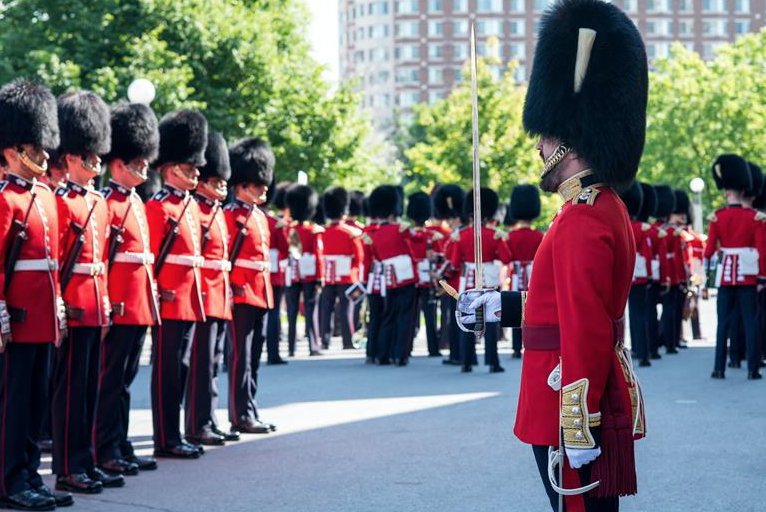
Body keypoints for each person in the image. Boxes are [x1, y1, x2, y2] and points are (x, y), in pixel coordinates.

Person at [457, 1, 648, 509]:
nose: (539, 148)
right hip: (561, 392)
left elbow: (583, 326)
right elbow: (555, 305)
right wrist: (494, 307)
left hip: (565, 398)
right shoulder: (588, 210)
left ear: (571, 139)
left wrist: (578, 422)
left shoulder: (586, 216)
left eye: (545, 135)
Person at [0, 79, 73, 510]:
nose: (45, 155)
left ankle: (29, 473)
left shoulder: (45, 194)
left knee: (36, 401)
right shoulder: (5, 199)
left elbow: (56, 258)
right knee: (13, 403)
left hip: (44, 313)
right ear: (11, 150)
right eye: (35, 146)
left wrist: (59, 306)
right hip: (17, 315)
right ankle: (9, 481)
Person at [52, 90, 124, 492]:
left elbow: (104, 259)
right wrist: (61, 305)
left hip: (96, 303)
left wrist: (107, 304)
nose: (96, 165)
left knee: (89, 388)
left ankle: (86, 458)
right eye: (91, 159)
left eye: (98, 158)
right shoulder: (61, 201)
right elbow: (58, 259)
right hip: (74, 303)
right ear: (73, 158)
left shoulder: (97, 201)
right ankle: (67, 466)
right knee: (69, 390)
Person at [95, 102, 161, 475]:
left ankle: (119, 443)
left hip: (137, 304)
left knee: (124, 380)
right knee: (110, 380)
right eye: (137, 160)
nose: (144, 166)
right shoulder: (108, 202)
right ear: (118, 163)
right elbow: (101, 260)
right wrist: (107, 303)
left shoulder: (135, 201)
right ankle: (104, 448)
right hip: (118, 303)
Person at [146, 109, 208, 459]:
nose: (196, 172)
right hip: (168, 298)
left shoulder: (191, 207)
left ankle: (177, 433)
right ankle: (165, 437)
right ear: (171, 168)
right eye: (189, 166)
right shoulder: (158, 208)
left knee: (181, 368)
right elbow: (153, 258)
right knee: (166, 371)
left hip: (189, 298)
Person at [185, 132, 239, 446]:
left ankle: (210, 418)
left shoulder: (217, 212)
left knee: (214, 360)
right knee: (201, 363)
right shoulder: (198, 211)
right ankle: (196, 423)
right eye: (214, 179)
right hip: (203, 292)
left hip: (219, 293)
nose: (221, 185)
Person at [225, 137, 277, 434]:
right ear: (242, 185)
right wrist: (233, 289)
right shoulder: (231, 216)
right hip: (242, 291)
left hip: (261, 291)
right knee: (240, 358)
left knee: (254, 356)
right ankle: (239, 414)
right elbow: (228, 258)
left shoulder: (259, 216)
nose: (263, 188)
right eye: (257, 184)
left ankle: (250, 407)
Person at [705, 154, 765, 380]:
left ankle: (718, 368)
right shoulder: (755, 217)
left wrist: (721, 248)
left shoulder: (717, 218)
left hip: (725, 277)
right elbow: (762, 251)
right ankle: (752, 369)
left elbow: (709, 250)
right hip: (748, 278)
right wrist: (761, 278)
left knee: (723, 324)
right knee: (750, 323)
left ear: (726, 192)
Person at [448, 188, 511, 373]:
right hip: (489, 283)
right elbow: (506, 258)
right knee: (490, 322)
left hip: (468, 283)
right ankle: (492, 362)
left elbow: (454, 261)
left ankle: (466, 361)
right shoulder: (494, 235)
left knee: (468, 321)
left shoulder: (461, 236)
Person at [364, 185, 417, 366]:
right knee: (405, 318)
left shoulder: (374, 234)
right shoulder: (401, 230)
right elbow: (414, 245)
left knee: (389, 316)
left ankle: (383, 354)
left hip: (388, 278)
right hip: (406, 277)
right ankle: (400, 355)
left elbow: (377, 257)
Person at [319, 186, 364, 350]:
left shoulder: (322, 232)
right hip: (346, 276)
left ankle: (324, 341)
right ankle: (347, 341)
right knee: (347, 310)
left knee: (326, 310)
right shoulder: (350, 233)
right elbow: (359, 257)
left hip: (328, 276)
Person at [284, 184, 324, 356]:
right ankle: (313, 346)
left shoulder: (289, 230)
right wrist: (320, 277)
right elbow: (319, 255)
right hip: (309, 273)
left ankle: (291, 347)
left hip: (292, 273)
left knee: (292, 311)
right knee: (310, 309)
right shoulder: (313, 231)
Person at [505, 184, 544, 359]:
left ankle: (515, 347)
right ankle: (528, 341)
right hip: (533, 274)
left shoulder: (510, 236)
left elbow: (506, 258)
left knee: (515, 306)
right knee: (530, 308)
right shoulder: (539, 236)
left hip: (515, 274)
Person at [406, 191, 442, 357]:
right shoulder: (433, 236)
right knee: (430, 315)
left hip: (412, 278)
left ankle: (407, 348)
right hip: (427, 278)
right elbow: (439, 257)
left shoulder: (408, 235)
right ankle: (433, 349)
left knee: (410, 315)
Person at [431, 184, 464, 365]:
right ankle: (455, 353)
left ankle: (458, 354)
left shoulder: (459, 235)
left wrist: (440, 276)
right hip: (453, 281)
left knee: (457, 319)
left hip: (456, 282)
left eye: (451, 219)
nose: (449, 222)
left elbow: (454, 263)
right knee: (454, 319)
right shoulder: (456, 234)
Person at [621, 182, 653, 366]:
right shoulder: (643, 228)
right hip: (640, 275)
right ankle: (644, 353)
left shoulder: (619, 223)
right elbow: (647, 255)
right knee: (640, 314)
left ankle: (628, 351)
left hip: (622, 275)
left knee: (624, 316)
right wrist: (649, 276)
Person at [637, 183, 669, 360]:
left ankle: (639, 347)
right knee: (648, 312)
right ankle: (650, 348)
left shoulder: (629, 226)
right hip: (646, 275)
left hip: (632, 275)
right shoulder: (649, 231)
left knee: (636, 314)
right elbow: (654, 256)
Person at [264, 180, 290, 365]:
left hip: (251, 275)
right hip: (272, 275)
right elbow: (285, 248)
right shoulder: (275, 223)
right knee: (273, 314)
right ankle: (273, 353)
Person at [654, 185, 681, 354]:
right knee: (670, 310)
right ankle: (670, 343)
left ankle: (657, 340)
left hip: (652, 272)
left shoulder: (651, 229)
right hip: (670, 273)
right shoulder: (672, 231)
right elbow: (677, 257)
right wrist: (679, 278)